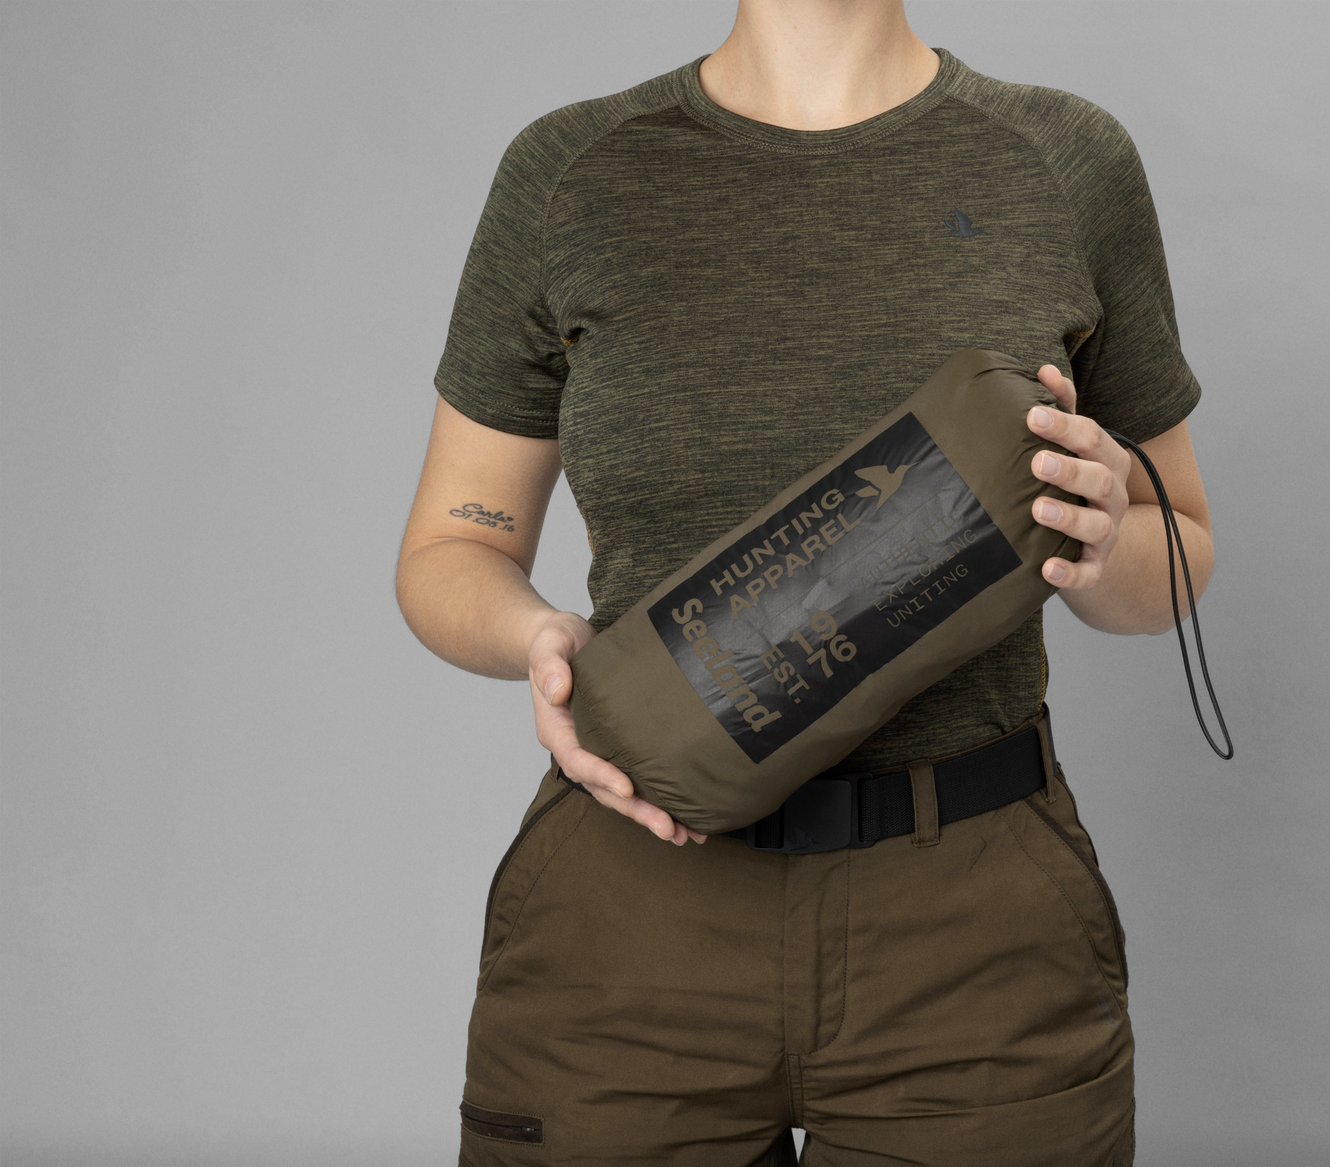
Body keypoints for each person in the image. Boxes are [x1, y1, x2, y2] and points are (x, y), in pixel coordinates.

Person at [396, 2, 1215, 1163]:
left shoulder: (1061, 157)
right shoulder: (573, 170)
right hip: (631, 902)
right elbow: (449, 549)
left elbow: (1180, 546)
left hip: (970, 923)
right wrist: (538, 636)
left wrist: (1095, 540)